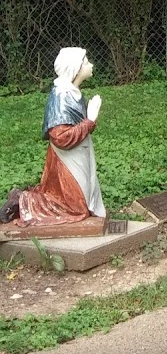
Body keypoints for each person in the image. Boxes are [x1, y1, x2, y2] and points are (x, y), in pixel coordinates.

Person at [0, 47, 105, 226]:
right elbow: (61, 137)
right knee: (74, 208)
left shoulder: (73, 92)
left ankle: (25, 199)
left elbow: (79, 127)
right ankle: (22, 202)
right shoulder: (61, 97)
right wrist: (89, 121)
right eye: (86, 62)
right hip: (67, 160)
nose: (91, 65)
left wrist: (89, 121)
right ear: (76, 68)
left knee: (80, 203)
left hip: (79, 153)